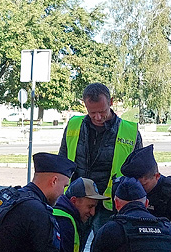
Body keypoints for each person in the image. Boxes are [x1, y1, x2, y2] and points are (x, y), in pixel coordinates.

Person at [58, 83, 143, 236]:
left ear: (110, 102)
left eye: (102, 111)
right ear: (85, 105)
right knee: (69, 248)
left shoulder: (130, 131)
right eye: (92, 113)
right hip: (78, 200)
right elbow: (62, 160)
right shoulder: (73, 125)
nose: (98, 117)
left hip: (109, 204)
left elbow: (138, 172)